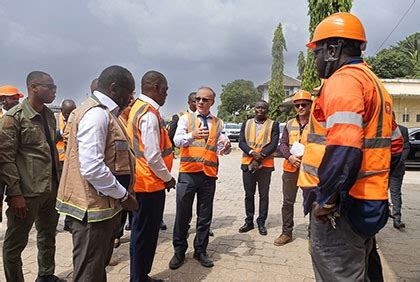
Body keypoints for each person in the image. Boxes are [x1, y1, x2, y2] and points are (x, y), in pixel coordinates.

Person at [300, 12, 403, 280]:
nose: (316, 60)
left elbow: (344, 147)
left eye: (317, 52)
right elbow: (395, 146)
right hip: (369, 204)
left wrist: (326, 199)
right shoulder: (376, 85)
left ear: (333, 49)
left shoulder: (343, 81)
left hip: (341, 210)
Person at [56, 65, 138, 282]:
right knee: (89, 273)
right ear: (113, 88)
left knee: (96, 268)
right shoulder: (97, 115)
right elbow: (92, 167)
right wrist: (123, 195)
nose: (131, 98)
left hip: (99, 208)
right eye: (129, 91)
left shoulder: (106, 114)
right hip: (91, 212)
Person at [0, 71, 62, 282]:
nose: (54, 91)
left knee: (48, 234)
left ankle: (45, 275)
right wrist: (15, 193)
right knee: (14, 244)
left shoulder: (49, 115)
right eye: (50, 87)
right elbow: (6, 159)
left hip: (49, 188)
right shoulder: (13, 117)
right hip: (26, 193)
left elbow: (52, 151)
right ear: (33, 87)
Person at [169, 86, 231, 270]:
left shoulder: (218, 122)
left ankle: (200, 250)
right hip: (188, 173)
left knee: (205, 216)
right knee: (183, 215)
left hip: (208, 176)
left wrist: (225, 147)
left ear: (212, 102)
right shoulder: (185, 119)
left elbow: (221, 143)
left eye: (205, 99)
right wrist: (192, 135)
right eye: (198, 99)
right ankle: (179, 251)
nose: (201, 102)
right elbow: (177, 141)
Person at [126, 71, 175, 282]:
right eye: (165, 89)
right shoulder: (148, 114)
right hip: (149, 185)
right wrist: (168, 178)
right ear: (155, 87)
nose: (166, 94)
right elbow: (153, 156)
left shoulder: (137, 108)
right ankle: (139, 278)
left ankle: (140, 276)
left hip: (141, 182)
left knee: (140, 234)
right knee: (145, 236)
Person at [274, 90, 312, 246]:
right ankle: (286, 232)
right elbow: (282, 144)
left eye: (304, 104)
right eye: (297, 105)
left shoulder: (317, 123)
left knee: (312, 202)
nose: (300, 107)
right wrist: (289, 156)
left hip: (310, 169)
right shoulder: (289, 123)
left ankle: (314, 235)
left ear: (310, 105)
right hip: (290, 168)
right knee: (288, 202)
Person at [238, 100, 279, 236]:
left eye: (263, 108)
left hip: (265, 165)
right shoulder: (246, 123)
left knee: (264, 195)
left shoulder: (274, 124)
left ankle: (261, 222)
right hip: (247, 164)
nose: (260, 110)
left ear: (267, 110)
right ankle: (249, 221)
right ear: (254, 109)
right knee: (249, 194)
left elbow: (273, 144)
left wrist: (260, 156)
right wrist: (252, 153)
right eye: (258, 107)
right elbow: (241, 142)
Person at [0, 85, 25, 223]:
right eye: (14, 98)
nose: (17, 101)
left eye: (17, 98)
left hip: (14, 169)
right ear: (4, 100)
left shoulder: (22, 117)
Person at [55, 99, 76, 233]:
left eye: (72, 112)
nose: (70, 115)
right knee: (58, 192)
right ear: (62, 110)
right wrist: (62, 132)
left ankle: (69, 222)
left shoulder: (76, 118)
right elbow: (52, 136)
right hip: (58, 161)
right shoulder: (55, 118)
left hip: (70, 161)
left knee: (70, 192)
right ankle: (54, 221)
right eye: (67, 112)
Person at [389, 121, 410, 229]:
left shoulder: (402, 130)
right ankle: (379, 215)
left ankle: (397, 219)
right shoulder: (378, 129)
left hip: (397, 169)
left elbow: (406, 148)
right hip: (382, 168)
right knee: (378, 193)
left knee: (395, 193)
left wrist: (398, 162)